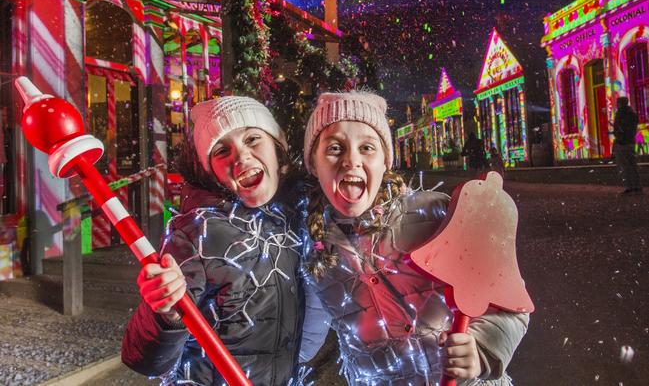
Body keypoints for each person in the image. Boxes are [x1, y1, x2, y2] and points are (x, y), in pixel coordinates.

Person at [302, 90, 529, 385]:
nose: (351, 160)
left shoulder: (436, 213)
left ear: (386, 161)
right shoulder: (314, 251)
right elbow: (306, 334)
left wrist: (482, 350)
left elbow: (510, 303)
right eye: (334, 149)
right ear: (313, 164)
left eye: (367, 148)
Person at [122, 96, 307, 385]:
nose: (241, 156)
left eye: (253, 139)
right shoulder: (198, 234)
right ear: (210, 173)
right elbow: (144, 359)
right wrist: (165, 312)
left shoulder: (294, 219)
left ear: (278, 150)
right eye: (222, 150)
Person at [612, 96, 642, 195]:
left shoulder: (620, 114)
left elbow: (617, 128)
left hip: (622, 143)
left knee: (625, 166)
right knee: (633, 165)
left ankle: (629, 187)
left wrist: (618, 134)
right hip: (631, 142)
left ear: (620, 104)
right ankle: (637, 186)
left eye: (618, 103)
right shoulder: (633, 114)